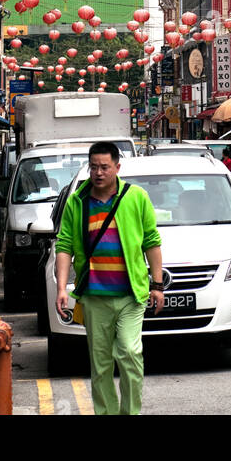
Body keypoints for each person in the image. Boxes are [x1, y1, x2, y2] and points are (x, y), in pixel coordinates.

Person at [55, 141, 164, 416]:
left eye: (105, 167)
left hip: (130, 295)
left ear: (117, 167)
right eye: (94, 167)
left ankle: (130, 412)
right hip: (94, 297)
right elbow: (64, 245)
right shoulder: (77, 202)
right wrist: (61, 288)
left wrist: (157, 284)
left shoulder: (135, 197)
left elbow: (151, 241)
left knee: (129, 353)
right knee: (100, 364)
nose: (99, 173)